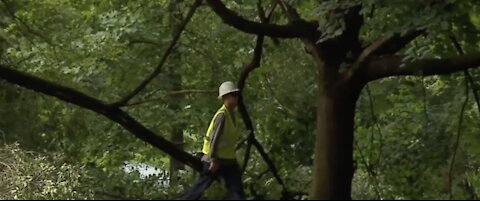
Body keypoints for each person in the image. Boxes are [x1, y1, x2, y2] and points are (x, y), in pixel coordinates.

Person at [180, 81, 245, 200]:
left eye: (236, 95)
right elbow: (215, 139)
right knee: (199, 189)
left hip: (229, 161)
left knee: (236, 190)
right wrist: (214, 160)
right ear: (226, 97)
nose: (236, 98)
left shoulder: (230, 114)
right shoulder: (222, 115)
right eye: (234, 95)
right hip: (215, 160)